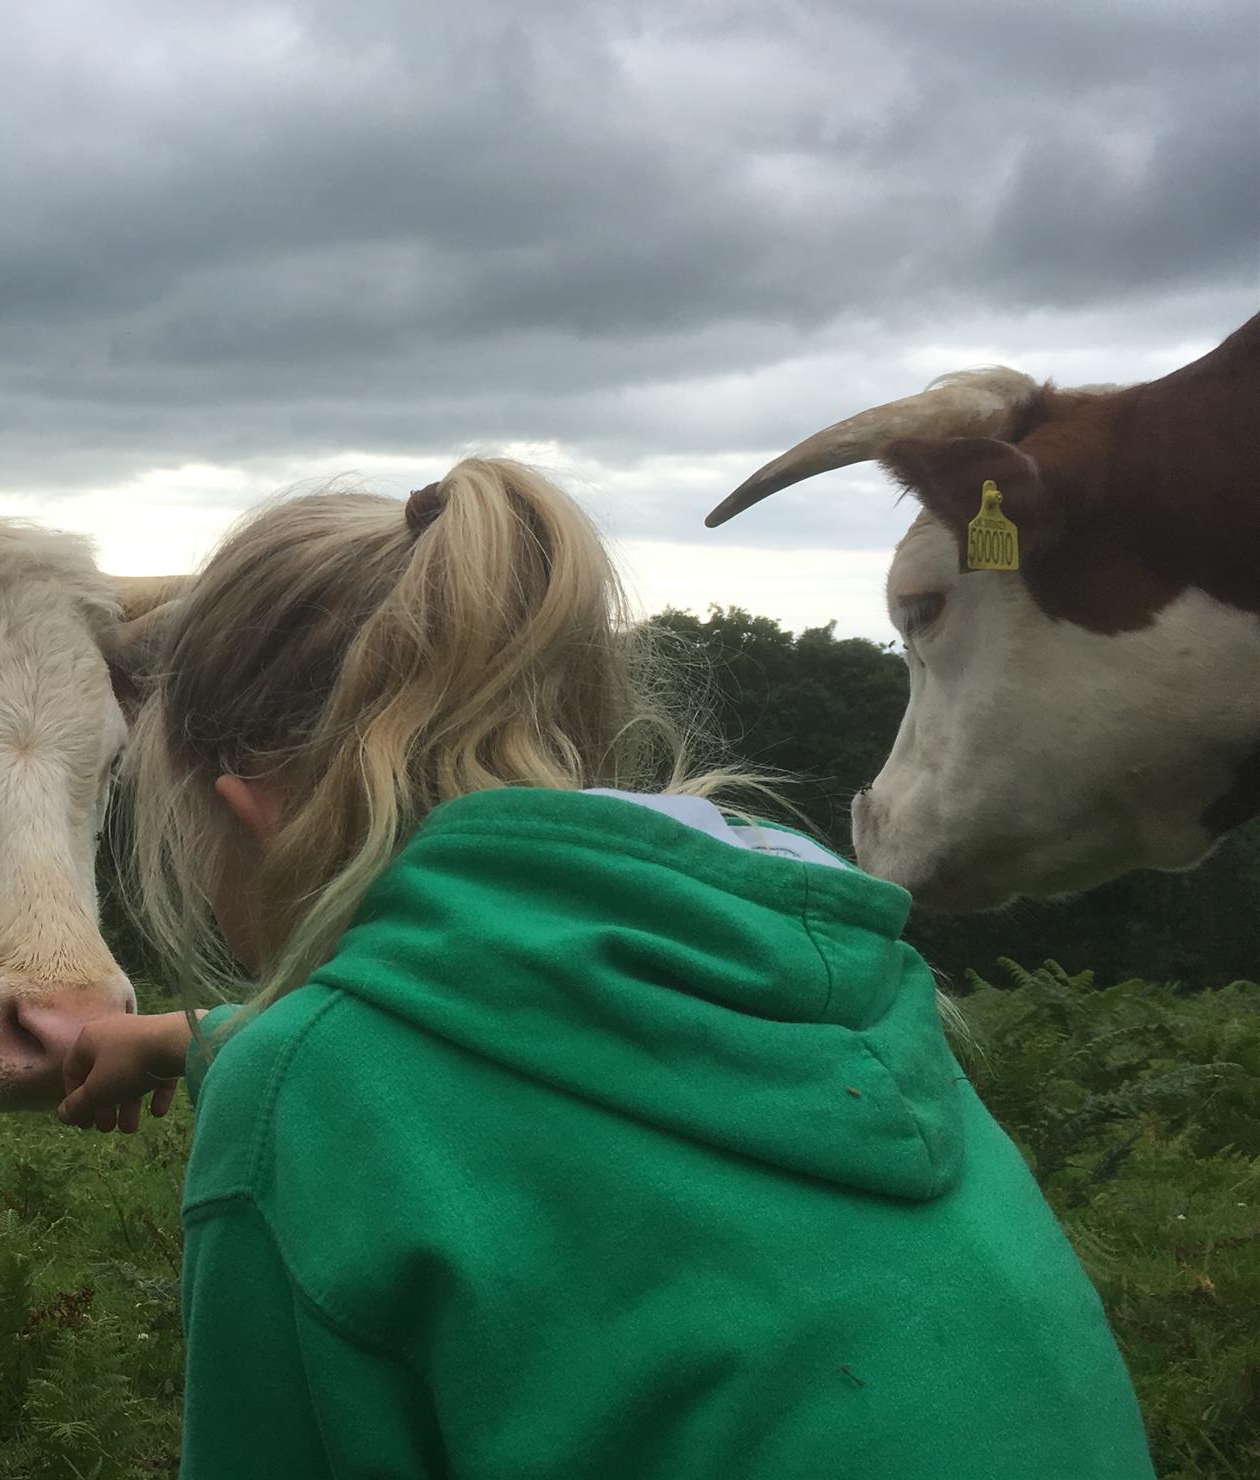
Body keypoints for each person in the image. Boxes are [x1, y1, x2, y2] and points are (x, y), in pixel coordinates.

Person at [58, 459, 1155, 1479]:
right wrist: (180, 1038)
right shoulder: (790, 926)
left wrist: (259, 1064)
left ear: (248, 810)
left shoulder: (302, 1092)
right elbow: (515, 1026)